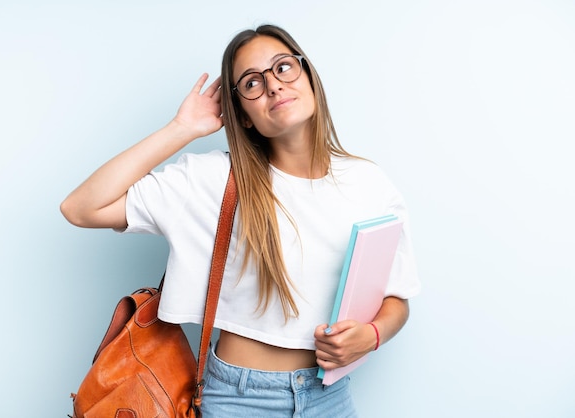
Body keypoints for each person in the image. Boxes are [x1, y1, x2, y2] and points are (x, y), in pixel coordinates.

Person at [61, 24, 420, 417]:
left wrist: (372, 335)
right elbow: (82, 207)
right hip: (238, 401)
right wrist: (181, 130)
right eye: (252, 82)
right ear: (243, 115)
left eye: (283, 67)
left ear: (309, 78)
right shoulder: (213, 181)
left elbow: (396, 296)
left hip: (329, 399)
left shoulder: (369, 183)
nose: (273, 86)